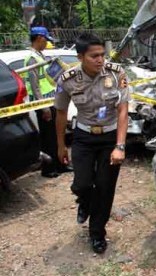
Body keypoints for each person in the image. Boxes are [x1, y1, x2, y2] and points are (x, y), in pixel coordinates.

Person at [54, 33, 129, 254]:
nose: (100, 60)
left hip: (110, 137)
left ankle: (97, 233)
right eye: (94, 56)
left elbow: (123, 110)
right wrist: (60, 145)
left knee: (105, 189)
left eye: (102, 55)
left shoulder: (117, 74)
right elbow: (60, 113)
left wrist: (120, 146)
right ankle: (84, 201)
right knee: (82, 184)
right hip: (83, 137)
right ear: (80, 57)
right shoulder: (67, 79)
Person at [23, 27, 72, 178]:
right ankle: (49, 168)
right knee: (48, 137)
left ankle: (61, 164)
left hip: (52, 101)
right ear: (39, 38)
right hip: (43, 104)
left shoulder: (40, 56)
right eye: (46, 40)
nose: (47, 43)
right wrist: (43, 107)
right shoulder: (31, 58)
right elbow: (35, 85)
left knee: (58, 134)